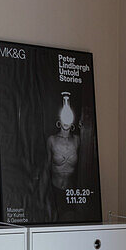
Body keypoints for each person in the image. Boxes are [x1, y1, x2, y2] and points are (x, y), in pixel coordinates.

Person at [44, 92, 80, 221]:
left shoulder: (77, 140)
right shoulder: (52, 140)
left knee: (70, 219)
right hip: (55, 189)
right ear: (59, 119)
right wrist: (44, 192)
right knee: (54, 219)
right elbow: (47, 167)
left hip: (71, 192)